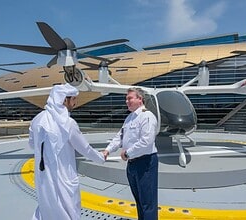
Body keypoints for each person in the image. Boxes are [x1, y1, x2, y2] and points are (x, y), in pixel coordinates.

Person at [28, 83, 105, 220]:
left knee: (47, 210)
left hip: (43, 178)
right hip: (64, 178)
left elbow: (32, 145)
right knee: (67, 211)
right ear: (64, 100)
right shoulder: (68, 123)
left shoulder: (37, 120)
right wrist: (101, 157)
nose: (76, 102)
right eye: (74, 99)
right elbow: (85, 149)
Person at [103, 87, 159, 220]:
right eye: (126, 99)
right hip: (132, 165)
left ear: (140, 99)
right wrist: (108, 150)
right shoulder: (129, 118)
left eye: (129, 98)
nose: (126, 102)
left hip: (145, 163)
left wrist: (127, 153)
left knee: (148, 203)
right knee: (139, 201)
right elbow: (119, 137)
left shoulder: (147, 116)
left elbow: (147, 141)